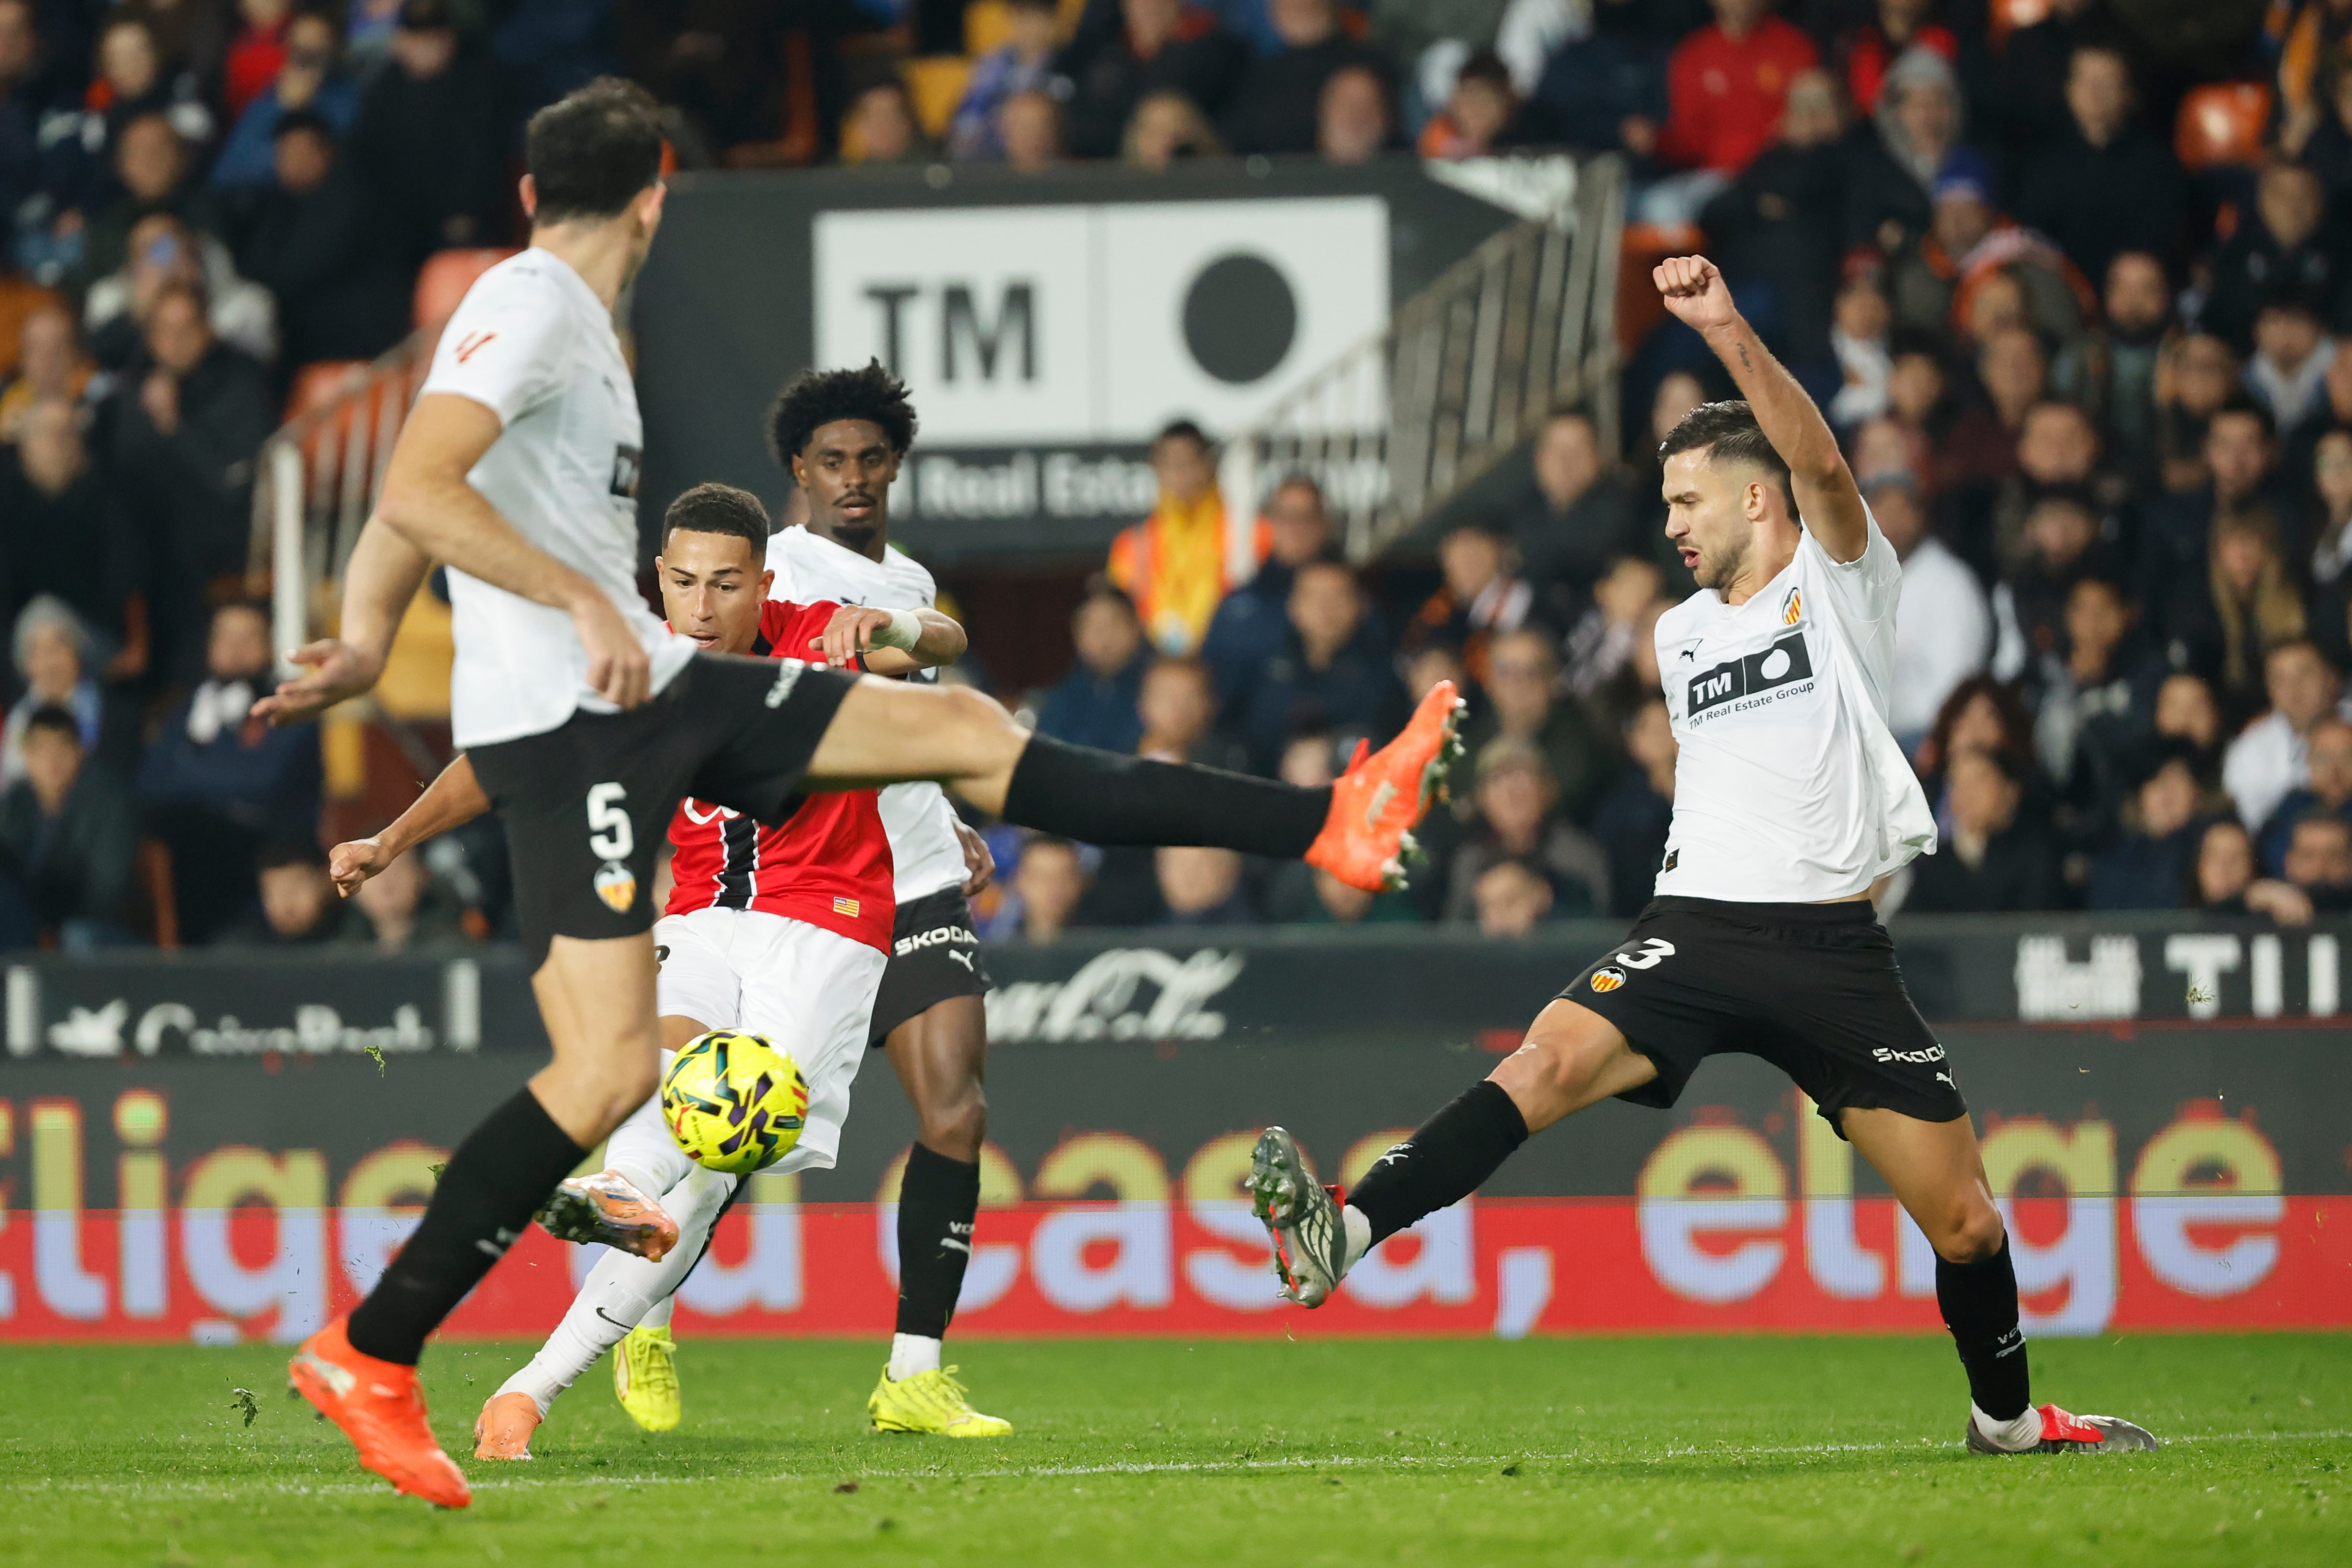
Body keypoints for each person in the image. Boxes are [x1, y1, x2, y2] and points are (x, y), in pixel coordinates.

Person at [259, 79, 1462, 1511]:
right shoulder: (543, 310)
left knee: (609, 1069)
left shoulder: (518, 307)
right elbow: (418, 477)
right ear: (655, 194)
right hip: (598, 717)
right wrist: (581, 600)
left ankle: (371, 1346)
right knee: (954, 746)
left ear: (529, 194)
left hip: (617, 713)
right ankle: (1332, 814)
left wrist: (373, 639)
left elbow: (405, 505)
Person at [1242, 254, 2156, 1460]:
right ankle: (1342, 1237)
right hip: (1694, 928)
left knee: (1968, 1225)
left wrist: (1727, 329)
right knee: (1541, 1063)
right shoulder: (1675, 636)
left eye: (1688, 502)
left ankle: (2003, 1419)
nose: (1669, 525)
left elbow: (1824, 463)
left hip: (1830, 946)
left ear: (1758, 501)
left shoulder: (1843, 587)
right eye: (1664, 504)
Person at [335, 483, 976, 1454]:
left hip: (829, 925)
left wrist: (890, 621)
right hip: (703, 916)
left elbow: (943, 644)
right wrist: (389, 838)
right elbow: (511, 760)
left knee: (717, 1159)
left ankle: (538, 1376)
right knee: (656, 1073)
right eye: (684, 583)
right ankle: (609, 1212)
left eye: (727, 584)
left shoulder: (820, 639)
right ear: (659, 583)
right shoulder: (632, 664)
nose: (704, 607)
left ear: (765, 584)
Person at [138, 600, 321, 943]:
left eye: (248, 637)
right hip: (195, 865)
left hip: (270, 857)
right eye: (225, 637)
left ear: (269, 645)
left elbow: (263, 782)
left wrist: (193, 758)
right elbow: (150, 785)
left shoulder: (292, 705)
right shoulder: (186, 711)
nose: (235, 649)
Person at [233, 109, 411, 367]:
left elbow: (299, 267)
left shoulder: (352, 196)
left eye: (299, 151)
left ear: (326, 151)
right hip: (313, 341)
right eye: (283, 153)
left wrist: (270, 274)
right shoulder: (281, 205)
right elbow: (256, 265)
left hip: (361, 339)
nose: (290, 162)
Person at [2011, 43, 2183, 291]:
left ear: (2129, 94)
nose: (2096, 92)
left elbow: (2161, 247)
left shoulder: (2157, 167)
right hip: (2061, 295)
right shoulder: (2041, 165)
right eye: (2087, 81)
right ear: (2070, 90)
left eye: (2107, 82)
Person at [344, 0, 500, 263]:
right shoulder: (385, 86)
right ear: (400, 41)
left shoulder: (475, 82)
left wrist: (465, 210)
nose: (427, 48)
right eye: (418, 38)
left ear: (450, 39)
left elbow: (480, 156)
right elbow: (362, 153)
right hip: (395, 220)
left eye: (435, 38)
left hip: (455, 221)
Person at [1106, 419, 1263, 656]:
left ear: (1208, 465)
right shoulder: (1131, 545)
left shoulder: (1249, 532)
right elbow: (1121, 616)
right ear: (1155, 469)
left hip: (1227, 660)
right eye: (1169, 464)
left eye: (1188, 463)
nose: (1179, 473)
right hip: (1156, 667)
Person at [1239, 556, 1409, 774]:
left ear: (1360, 605)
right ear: (1293, 605)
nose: (1325, 609)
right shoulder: (1262, 666)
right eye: (1314, 597)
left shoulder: (1387, 672)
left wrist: (1331, 755)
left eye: (1338, 597)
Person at [0, 703, 137, 951]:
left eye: (62, 748)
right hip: (30, 924)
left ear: (80, 751)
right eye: (42, 750)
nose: (52, 760)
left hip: (98, 930)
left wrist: (47, 926)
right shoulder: (17, 802)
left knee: (78, 936)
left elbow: (106, 895)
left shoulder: (108, 802)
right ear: (26, 756)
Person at [1199, 472, 1330, 710]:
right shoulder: (1237, 610)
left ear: (1324, 523)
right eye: (1287, 517)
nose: (1296, 528)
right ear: (1269, 522)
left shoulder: (1357, 604)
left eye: (1307, 517)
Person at [1440, 737, 1608, 922]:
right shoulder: (1469, 861)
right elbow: (1454, 938)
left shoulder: (1578, 857)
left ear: (1548, 790)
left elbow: (1600, 932)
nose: (1512, 789)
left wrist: (1546, 903)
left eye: (1524, 775)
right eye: (1498, 777)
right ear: (1482, 798)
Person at [1454, 626, 1611, 822]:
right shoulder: (1469, 740)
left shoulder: (1580, 742)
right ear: (1490, 681)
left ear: (1553, 681)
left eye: (1531, 672)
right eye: (1506, 672)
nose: (1518, 683)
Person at [1504, 409, 1644, 603]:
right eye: (1557, 450)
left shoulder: (1624, 506)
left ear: (1598, 457)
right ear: (1539, 459)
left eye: (1579, 450)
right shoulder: (1523, 508)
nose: (1567, 461)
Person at [1217, 0, 1388, 158]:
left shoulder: (1366, 67)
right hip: (1266, 182)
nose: (1297, 6)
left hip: (1345, 181)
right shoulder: (1256, 75)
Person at [1903, 747, 2059, 912]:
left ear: (2010, 790)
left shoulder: (2039, 851)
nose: (1967, 793)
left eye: (1978, 782)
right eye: (1957, 783)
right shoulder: (1931, 862)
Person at [2088, 746, 2210, 910]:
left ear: (2197, 793)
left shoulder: (2213, 846)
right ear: (2141, 796)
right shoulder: (2114, 863)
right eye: (2157, 781)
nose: (2167, 792)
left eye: (2178, 779)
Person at [1586, 695, 1676, 917]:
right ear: (1633, 741)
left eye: (1670, 724)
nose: (1663, 736)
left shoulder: (1708, 793)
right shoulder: (1618, 811)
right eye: (1651, 729)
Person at [1034, 577, 1149, 753]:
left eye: (1114, 623)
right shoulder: (1061, 698)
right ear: (1076, 634)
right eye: (1092, 626)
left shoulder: (1158, 688)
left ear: (1136, 628)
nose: (1105, 636)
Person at [949, 0, 1062, 161]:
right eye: (1023, 18)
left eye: (1037, 18)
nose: (1031, 28)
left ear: (1052, 22)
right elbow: (967, 125)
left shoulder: (1069, 63)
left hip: (1052, 162)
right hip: (997, 162)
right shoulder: (992, 67)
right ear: (1012, 20)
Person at [229, 836, 370, 944]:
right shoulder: (243, 951)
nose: (287, 901)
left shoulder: (362, 938)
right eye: (274, 891)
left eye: (296, 887)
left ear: (327, 882)